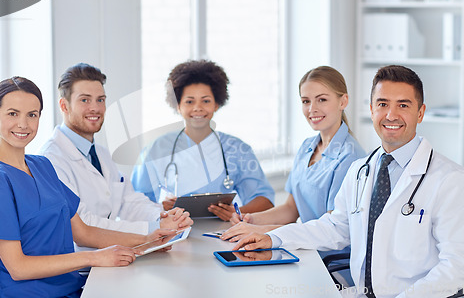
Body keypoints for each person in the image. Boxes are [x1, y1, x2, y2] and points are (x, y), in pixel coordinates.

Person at [233, 65, 464, 298]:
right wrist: (275, 238)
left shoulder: (453, 181)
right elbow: (335, 227)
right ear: (371, 110)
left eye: (403, 105)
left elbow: (460, 267)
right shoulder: (360, 170)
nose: (391, 114)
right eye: (382, 104)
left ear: (420, 112)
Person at [0, 77, 177, 298]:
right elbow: (18, 267)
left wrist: (148, 240)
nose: (23, 124)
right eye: (13, 113)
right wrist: (95, 257)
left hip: (72, 288)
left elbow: (83, 232)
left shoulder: (42, 166)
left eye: (32, 115)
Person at [39, 63, 192, 236]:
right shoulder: (51, 159)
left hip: (112, 252)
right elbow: (83, 224)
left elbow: (129, 202)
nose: (95, 108)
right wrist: (153, 228)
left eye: (100, 100)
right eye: (84, 100)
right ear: (64, 106)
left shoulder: (101, 154)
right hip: (81, 257)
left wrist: (163, 217)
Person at [222, 66, 365, 242]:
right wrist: (251, 219)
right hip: (302, 245)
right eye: (306, 101)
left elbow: (331, 229)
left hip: (326, 257)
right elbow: (291, 208)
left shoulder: (351, 158)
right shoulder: (307, 147)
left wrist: (264, 231)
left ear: (343, 101)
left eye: (321, 100)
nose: (312, 109)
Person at [131, 60, 275, 221]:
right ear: (178, 106)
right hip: (172, 233)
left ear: (217, 104)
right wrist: (160, 208)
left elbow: (264, 200)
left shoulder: (237, 149)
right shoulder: (156, 149)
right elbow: (134, 202)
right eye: (189, 101)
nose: (198, 108)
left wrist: (237, 212)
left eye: (206, 101)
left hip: (225, 232)